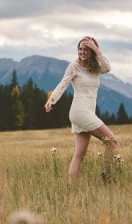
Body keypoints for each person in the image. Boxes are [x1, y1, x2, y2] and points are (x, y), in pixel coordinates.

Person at [45, 36, 118, 185]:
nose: (82, 52)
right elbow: (63, 84)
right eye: (80, 49)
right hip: (79, 111)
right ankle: (107, 177)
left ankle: (71, 187)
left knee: (79, 154)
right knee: (112, 141)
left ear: (91, 51)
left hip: (88, 112)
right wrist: (51, 100)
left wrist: (97, 49)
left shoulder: (95, 68)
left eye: (85, 49)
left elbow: (107, 67)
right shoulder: (74, 66)